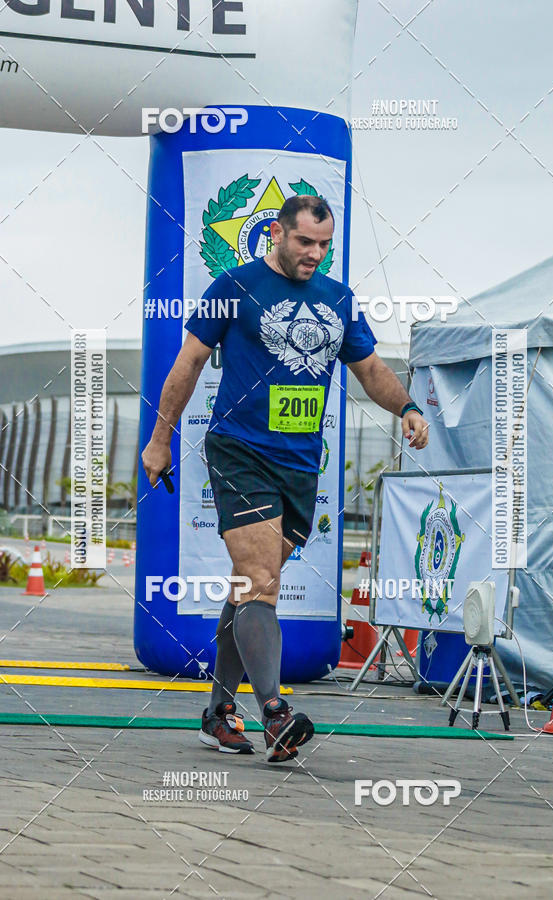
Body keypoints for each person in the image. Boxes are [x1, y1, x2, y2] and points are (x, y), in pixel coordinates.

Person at [142, 194, 428, 762]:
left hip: (300, 465)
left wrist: (408, 409)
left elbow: (369, 369)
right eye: (304, 242)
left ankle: (217, 712)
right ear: (277, 232)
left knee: (251, 584)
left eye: (324, 245)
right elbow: (189, 363)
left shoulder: (337, 299)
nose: (314, 255)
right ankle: (273, 713)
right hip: (239, 450)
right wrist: (158, 438)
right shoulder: (234, 288)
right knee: (257, 577)